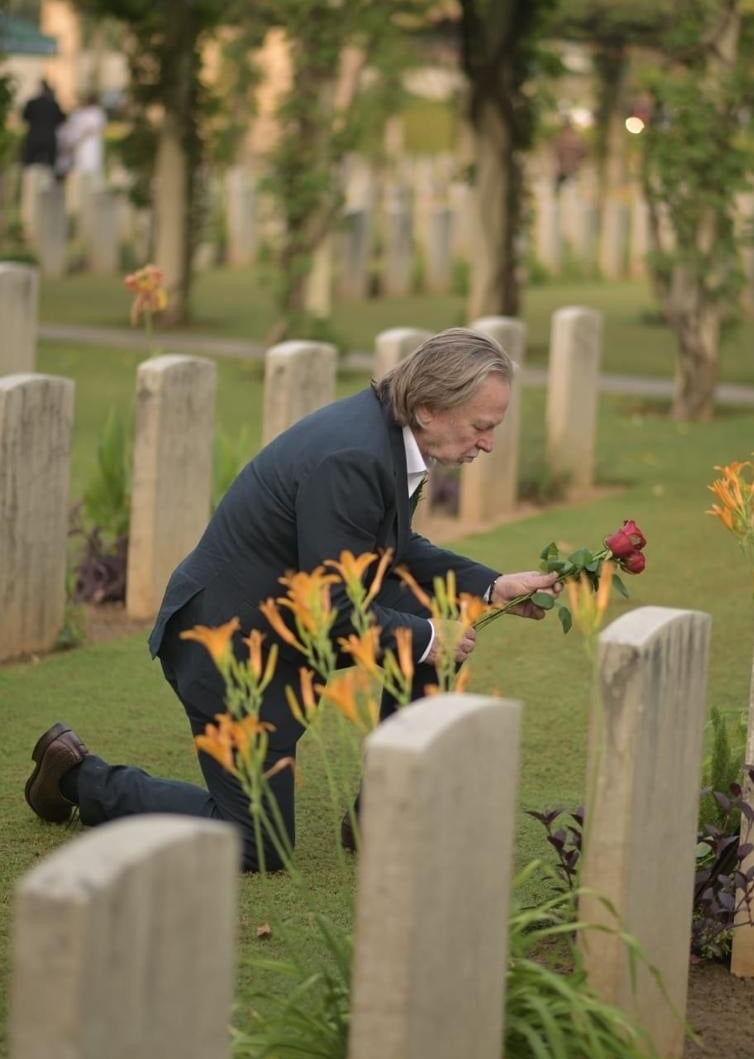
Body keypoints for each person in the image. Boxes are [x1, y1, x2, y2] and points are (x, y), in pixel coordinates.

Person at [25, 329, 559, 870]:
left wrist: (490, 585)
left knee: (431, 619)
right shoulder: (354, 457)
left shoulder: (388, 436)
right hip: (228, 642)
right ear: (428, 408)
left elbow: (390, 548)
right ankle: (75, 777)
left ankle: (386, 809)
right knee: (257, 843)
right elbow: (330, 610)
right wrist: (426, 638)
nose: (488, 444)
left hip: (282, 623)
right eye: (482, 426)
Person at [20, 79, 65, 170]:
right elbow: (61, 119)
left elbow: (24, 117)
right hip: (49, 138)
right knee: (50, 166)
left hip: (33, 137)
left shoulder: (32, 103)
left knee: (29, 165)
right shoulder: (53, 104)